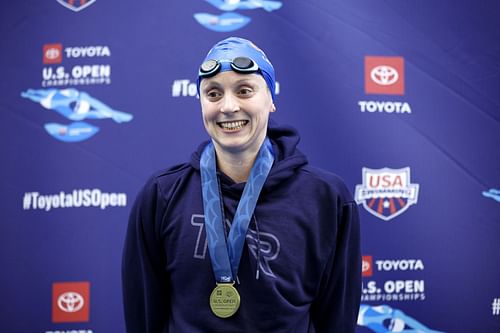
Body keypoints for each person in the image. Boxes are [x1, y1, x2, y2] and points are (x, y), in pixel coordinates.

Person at [122, 37, 361, 333]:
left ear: (271, 99)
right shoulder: (162, 195)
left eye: (244, 90)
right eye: (213, 94)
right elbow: (144, 319)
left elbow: (337, 319)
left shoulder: (326, 198)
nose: (228, 106)